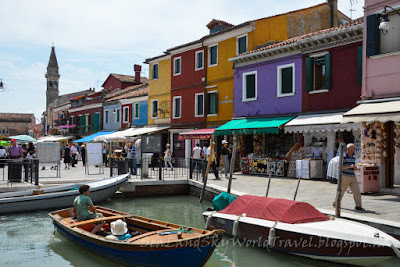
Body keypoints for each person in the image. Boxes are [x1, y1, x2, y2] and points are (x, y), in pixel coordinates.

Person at [333, 143, 365, 211]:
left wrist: (354, 168)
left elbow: (352, 167)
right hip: (345, 176)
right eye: (352, 149)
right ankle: (336, 203)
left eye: (354, 149)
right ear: (348, 149)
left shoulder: (353, 158)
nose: (353, 150)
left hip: (352, 176)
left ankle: (358, 206)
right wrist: (350, 166)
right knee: (341, 191)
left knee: (357, 191)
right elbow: (340, 167)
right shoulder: (343, 156)